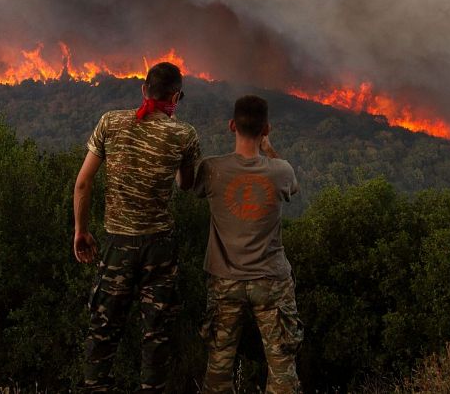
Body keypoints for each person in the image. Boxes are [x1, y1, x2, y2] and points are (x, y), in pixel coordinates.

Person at [73, 61, 201, 393]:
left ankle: (95, 387)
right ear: (177, 96)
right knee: (156, 334)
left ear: (144, 90)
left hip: (117, 245)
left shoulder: (110, 122)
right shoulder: (183, 134)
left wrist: (81, 231)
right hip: (159, 246)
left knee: (103, 329)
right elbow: (186, 184)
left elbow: (84, 184)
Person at [194, 95, 304, 393]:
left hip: (225, 282)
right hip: (271, 281)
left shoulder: (211, 170)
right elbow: (291, 187)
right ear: (266, 129)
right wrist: (268, 150)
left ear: (232, 125)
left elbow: (184, 183)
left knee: (218, 367)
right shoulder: (281, 171)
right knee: (282, 368)